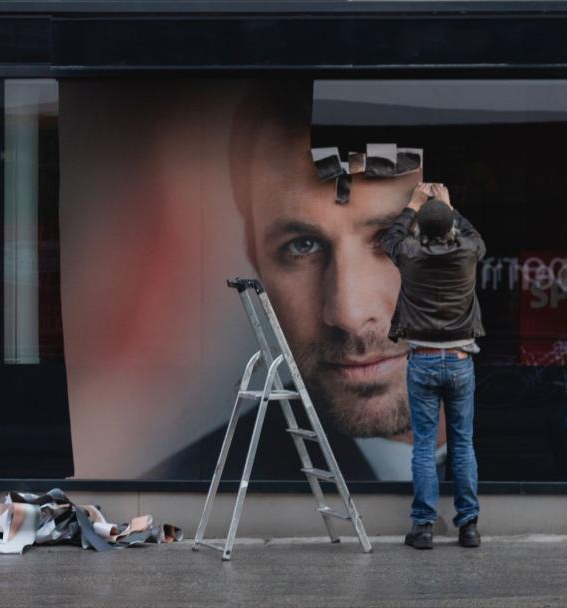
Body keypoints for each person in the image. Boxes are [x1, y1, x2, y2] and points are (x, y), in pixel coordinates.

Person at [150, 82, 448, 481]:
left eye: (395, 237)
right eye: (302, 245)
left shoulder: (547, 426)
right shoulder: (191, 482)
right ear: (254, 256)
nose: (349, 313)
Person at [381, 182, 485, 549]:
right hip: (459, 362)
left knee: (424, 446)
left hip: (423, 361)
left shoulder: (409, 254)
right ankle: (468, 526)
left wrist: (412, 205)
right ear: (451, 226)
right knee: (462, 443)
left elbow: (390, 238)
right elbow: (474, 234)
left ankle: (423, 528)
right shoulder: (469, 251)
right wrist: (448, 205)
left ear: (420, 230)